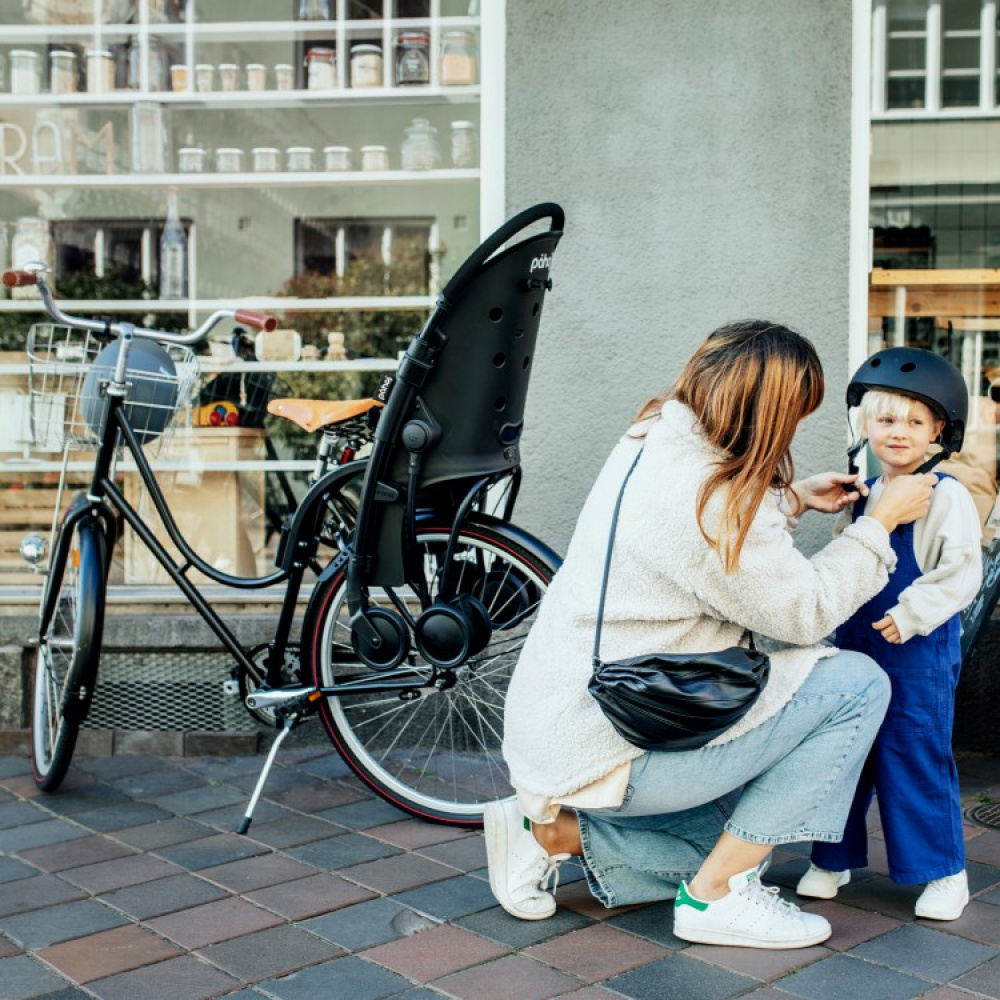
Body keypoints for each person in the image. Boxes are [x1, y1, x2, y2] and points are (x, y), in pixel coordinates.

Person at [485, 320, 939, 950]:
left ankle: (549, 834)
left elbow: (692, 540)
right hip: (619, 736)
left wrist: (791, 499)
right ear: (765, 411)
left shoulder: (656, 431)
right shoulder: (712, 501)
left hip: (567, 721)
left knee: (735, 834)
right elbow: (804, 611)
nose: (793, 431)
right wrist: (879, 525)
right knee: (856, 686)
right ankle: (715, 899)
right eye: (793, 416)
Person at [796, 348, 982, 921]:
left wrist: (914, 613)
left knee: (913, 753)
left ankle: (943, 872)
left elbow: (961, 572)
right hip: (856, 645)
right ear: (865, 426)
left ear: (937, 433)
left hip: (916, 653)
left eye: (913, 422)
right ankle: (833, 859)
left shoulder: (944, 494)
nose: (897, 432)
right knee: (844, 750)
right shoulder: (864, 492)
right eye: (885, 420)